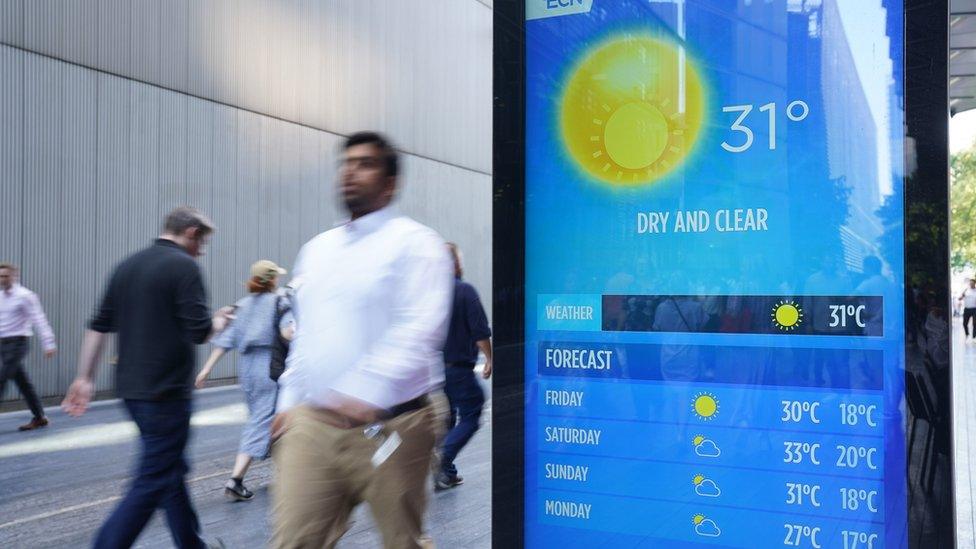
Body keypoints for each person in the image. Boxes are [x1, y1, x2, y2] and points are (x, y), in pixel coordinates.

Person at [270, 131, 453, 549]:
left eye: (365, 163)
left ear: (391, 183)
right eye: (346, 163)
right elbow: (307, 336)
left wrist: (362, 390)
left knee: (403, 542)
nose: (350, 171)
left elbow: (420, 329)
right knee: (291, 543)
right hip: (313, 427)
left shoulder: (416, 244)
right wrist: (288, 404)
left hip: (393, 426)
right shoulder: (317, 250)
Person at [61, 206, 233, 549]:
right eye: (203, 243)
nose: (201, 251)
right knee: (154, 478)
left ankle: (191, 544)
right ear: (192, 234)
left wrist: (84, 378)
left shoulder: (127, 266)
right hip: (166, 392)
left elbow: (99, 325)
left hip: (131, 392)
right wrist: (221, 320)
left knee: (170, 470)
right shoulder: (185, 267)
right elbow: (199, 331)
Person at [195, 259, 291, 501]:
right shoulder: (280, 302)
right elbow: (289, 332)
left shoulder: (242, 305)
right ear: (272, 280)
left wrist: (206, 368)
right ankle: (236, 479)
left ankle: (285, 472)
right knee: (263, 418)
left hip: (247, 368)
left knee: (264, 416)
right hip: (269, 364)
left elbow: (225, 340)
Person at [436, 242, 492, 490]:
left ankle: (445, 473)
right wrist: (490, 358)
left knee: (447, 419)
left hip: (434, 370)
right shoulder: (464, 291)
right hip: (458, 368)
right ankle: (442, 457)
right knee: (472, 412)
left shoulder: (428, 293)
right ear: (455, 263)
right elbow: (480, 332)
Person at [0, 263, 57, 431]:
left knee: (2, 378)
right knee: (23, 383)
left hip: (18, 343)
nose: (2, 279)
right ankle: (40, 417)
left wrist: (48, 342)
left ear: (13, 276)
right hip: (3, 344)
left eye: (5, 276)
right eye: (0, 276)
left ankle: (40, 417)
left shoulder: (25, 296)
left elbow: (39, 319)